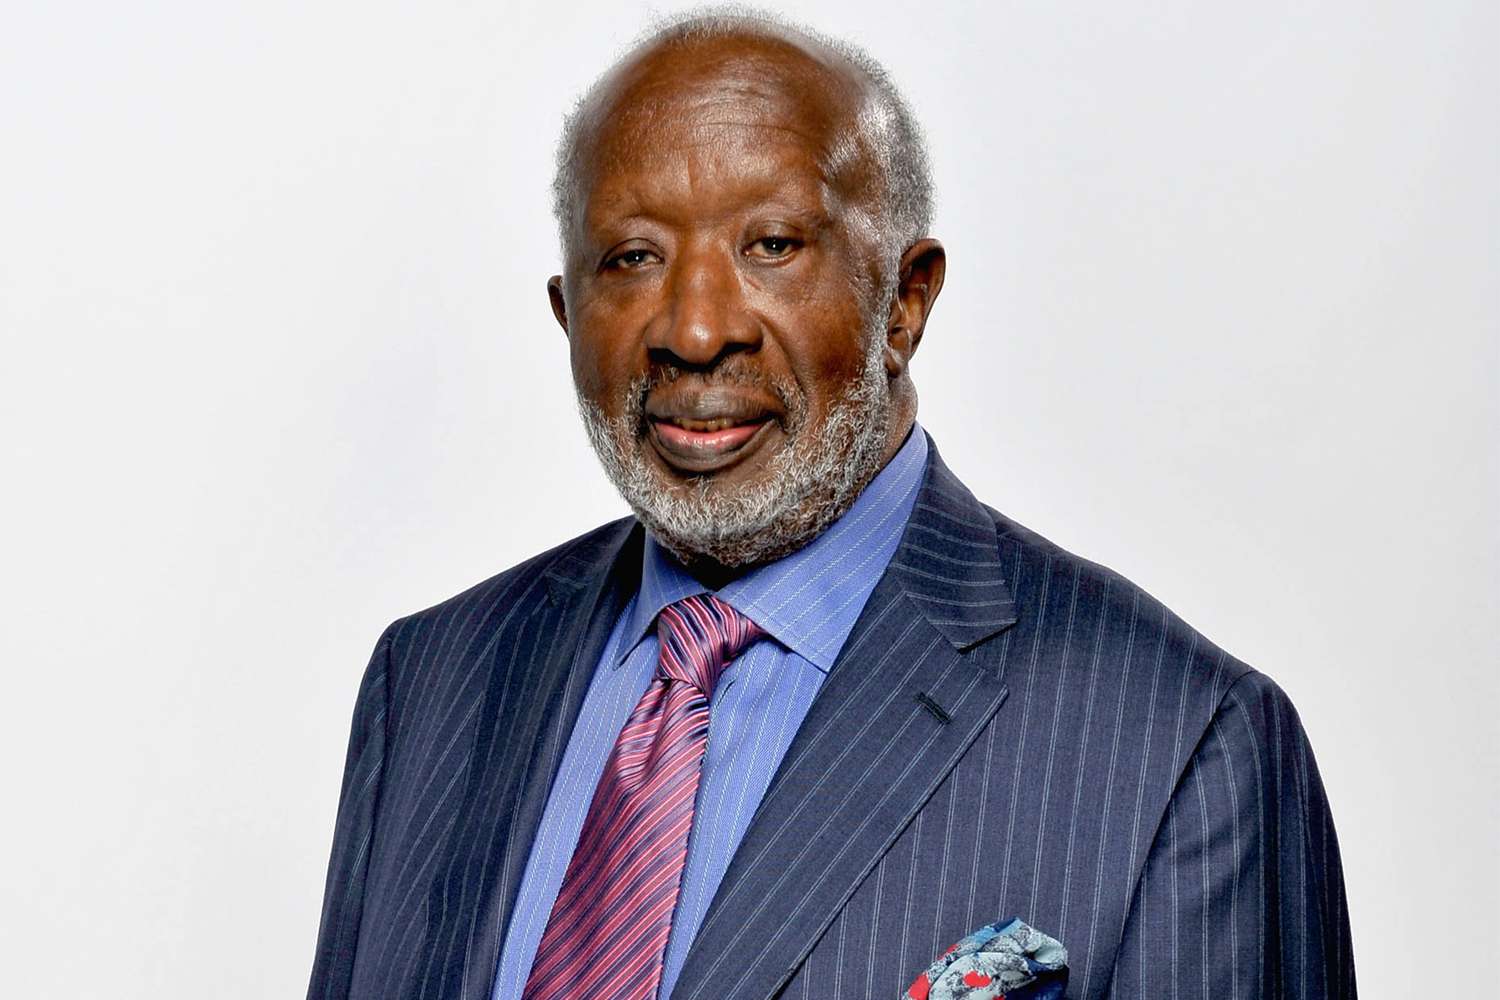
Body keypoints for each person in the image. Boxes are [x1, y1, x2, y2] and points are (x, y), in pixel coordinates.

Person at [307, 11, 1355, 1000]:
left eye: (770, 244)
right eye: (633, 258)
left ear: (906, 298)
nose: (696, 328)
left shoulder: (1179, 741)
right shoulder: (431, 682)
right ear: (565, 310)